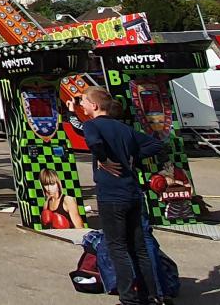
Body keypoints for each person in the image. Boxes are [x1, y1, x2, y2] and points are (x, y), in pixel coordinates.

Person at [80, 86, 166, 305]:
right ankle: (153, 296)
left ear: (94, 105)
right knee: (139, 248)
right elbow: (156, 144)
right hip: (133, 193)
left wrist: (104, 160)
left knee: (118, 248)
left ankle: (129, 299)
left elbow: (94, 142)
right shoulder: (124, 128)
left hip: (111, 194)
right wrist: (132, 157)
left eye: (83, 101)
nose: (81, 104)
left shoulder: (91, 125)